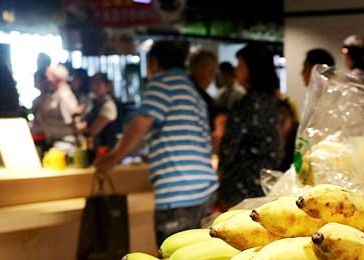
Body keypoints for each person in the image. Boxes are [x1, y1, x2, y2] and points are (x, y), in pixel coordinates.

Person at [95, 40, 217, 246]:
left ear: (153, 63)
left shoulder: (162, 83)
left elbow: (139, 125)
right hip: (205, 190)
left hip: (179, 192)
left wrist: (113, 158)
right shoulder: (191, 90)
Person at [218, 43, 282, 208]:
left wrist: (221, 170)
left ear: (252, 68)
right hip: (264, 180)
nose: (236, 70)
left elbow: (230, 144)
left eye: (240, 64)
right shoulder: (271, 100)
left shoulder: (248, 103)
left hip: (242, 183)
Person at [35, 64, 79, 151]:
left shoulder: (65, 96)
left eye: (49, 76)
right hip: (55, 142)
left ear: (57, 78)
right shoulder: (55, 94)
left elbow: (74, 124)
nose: (47, 79)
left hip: (65, 144)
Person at [81, 73, 120, 149]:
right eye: (92, 84)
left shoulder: (108, 105)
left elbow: (94, 131)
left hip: (106, 150)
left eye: (98, 84)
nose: (94, 87)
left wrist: (81, 129)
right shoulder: (96, 104)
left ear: (107, 87)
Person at [188, 49, 218, 129]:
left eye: (211, 71)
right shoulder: (205, 100)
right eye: (202, 67)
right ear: (192, 68)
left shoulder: (207, 100)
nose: (206, 74)